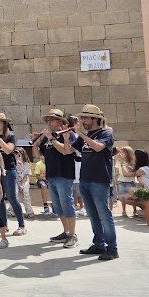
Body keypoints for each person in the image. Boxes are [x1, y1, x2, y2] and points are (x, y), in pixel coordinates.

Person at [64, 104, 117, 261]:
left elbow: (98, 147)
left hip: (99, 180)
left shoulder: (106, 133)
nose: (82, 121)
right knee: (93, 215)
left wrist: (81, 134)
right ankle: (99, 244)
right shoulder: (85, 136)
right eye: (81, 118)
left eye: (85, 118)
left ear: (95, 119)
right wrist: (67, 138)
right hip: (85, 179)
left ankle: (112, 249)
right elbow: (68, 151)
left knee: (104, 215)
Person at [33, 109, 79, 248]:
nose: (49, 123)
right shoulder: (48, 137)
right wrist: (36, 142)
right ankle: (66, 232)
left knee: (67, 205)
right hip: (51, 175)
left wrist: (52, 139)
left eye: (52, 120)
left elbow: (66, 151)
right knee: (58, 206)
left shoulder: (68, 134)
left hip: (64, 174)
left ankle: (72, 235)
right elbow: (37, 155)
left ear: (60, 121)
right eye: (48, 120)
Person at [0, 113, 26, 236]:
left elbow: (8, 150)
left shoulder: (11, 136)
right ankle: (3, 225)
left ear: (4, 123)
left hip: (8, 170)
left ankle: (22, 225)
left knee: (12, 198)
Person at [114, 146, 137, 217]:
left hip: (131, 181)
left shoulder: (132, 162)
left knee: (132, 196)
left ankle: (134, 210)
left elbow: (132, 171)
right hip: (121, 181)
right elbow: (117, 171)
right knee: (122, 196)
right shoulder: (119, 162)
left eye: (123, 153)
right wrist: (116, 178)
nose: (121, 154)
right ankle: (124, 211)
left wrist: (123, 162)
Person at [15, 148, 35, 218]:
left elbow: (26, 176)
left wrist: (22, 185)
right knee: (15, 193)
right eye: (16, 154)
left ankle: (29, 212)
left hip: (24, 180)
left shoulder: (26, 164)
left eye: (19, 154)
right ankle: (12, 211)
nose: (17, 155)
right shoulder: (13, 163)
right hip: (16, 180)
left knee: (25, 192)